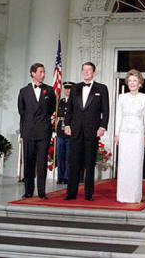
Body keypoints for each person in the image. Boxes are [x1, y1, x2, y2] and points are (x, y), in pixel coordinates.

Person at [64, 62, 109, 201]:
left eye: (89, 70)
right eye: (84, 70)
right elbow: (69, 109)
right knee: (74, 162)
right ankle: (71, 193)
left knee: (89, 163)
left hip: (92, 131)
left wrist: (102, 127)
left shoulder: (101, 88)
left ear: (94, 72)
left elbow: (106, 110)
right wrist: (66, 125)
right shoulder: (75, 88)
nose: (86, 72)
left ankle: (89, 194)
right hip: (76, 130)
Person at [18, 63, 56, 199]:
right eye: (40, 72)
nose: (43, 74)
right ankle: (28, 191)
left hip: (44, 131)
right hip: (28, 132)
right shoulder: (23, 91)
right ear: (33, 73)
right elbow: (21, 111)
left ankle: (41, 191)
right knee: (28, 162)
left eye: (44, 72)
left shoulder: (50, 91)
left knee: (42, 163)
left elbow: (51, 109)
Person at [114, 69, 145, 203]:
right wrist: (116, 134)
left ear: (140, 83)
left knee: (136, 164)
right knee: (124, 163)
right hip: (124, 133)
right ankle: (122, 195)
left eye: (135, 80)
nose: (132, 83)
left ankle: (134, 196)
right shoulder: (122, 97)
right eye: (130, 80)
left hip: (138, 134)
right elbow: (119, 116)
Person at [56, 81, 74, 185]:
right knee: (59, 155)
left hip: (70, 130)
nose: (67, 90)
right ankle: (60, 176)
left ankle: (67, 176)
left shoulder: (74, 102)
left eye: (69, 88)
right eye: (66, 88)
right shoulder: (60, 101)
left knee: (69, 155)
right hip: (60, 130)